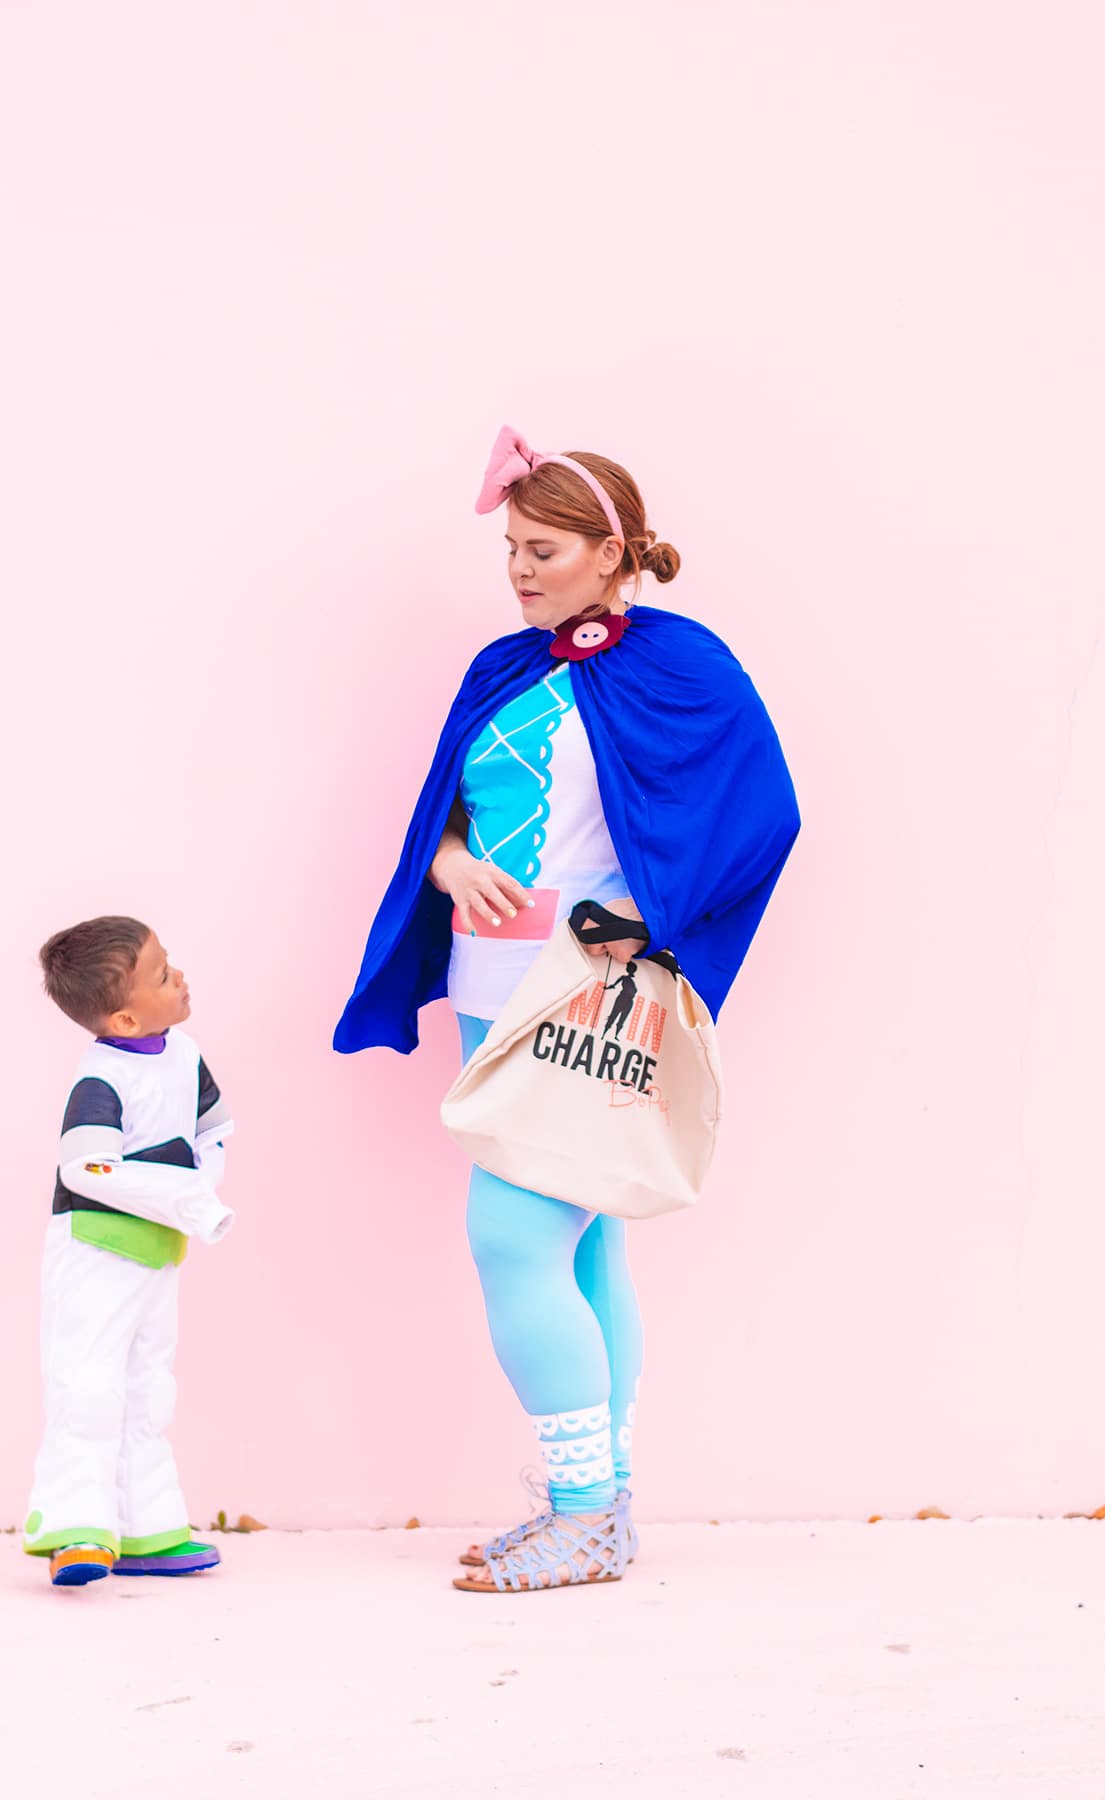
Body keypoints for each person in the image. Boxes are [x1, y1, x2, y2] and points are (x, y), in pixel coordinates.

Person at [335, 426, 799, 1592]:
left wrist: (651, 927)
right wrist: (445, 868)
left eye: (545, 550)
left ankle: (587, 1510)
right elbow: (445, 809)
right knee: (587, 1248)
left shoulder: (682, 665)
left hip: (584, 999)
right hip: (488, 995)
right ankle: (598, 1503)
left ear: (613, 553)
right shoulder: (504, 666)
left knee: (514, 1236)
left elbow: (760, 814)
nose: (523, 572)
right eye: (511, 551)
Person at [24, 918, 234, 1587]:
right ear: (122, 1017)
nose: (181, 978)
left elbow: (214, 1126)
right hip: (94, 1252)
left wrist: (203, 1181)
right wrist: (183, 1195)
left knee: (149, 1390)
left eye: (171, 964)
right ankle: (73, 1528)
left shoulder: (185, 1054)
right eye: (164, 976)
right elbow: (86, 1168)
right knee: (88, 1387)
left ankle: (147, 1527)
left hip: (157, 1253)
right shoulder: (102, 1080)